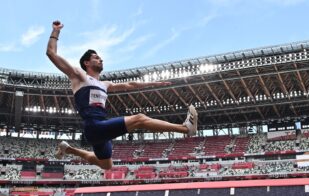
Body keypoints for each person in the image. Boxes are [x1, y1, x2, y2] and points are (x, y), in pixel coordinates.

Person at [46, 20, 198, 170]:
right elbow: (51, 53)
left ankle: (69, 149)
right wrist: (56, 31)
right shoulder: (79, 76)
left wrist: (153, 84)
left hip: (101, 129)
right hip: (93, 127)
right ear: (86, 63)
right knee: (140, 119)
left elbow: (130, 85)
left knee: (106, 165)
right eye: (96, 57)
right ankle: (185, 129)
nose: (101, 59)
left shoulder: (105, 85)